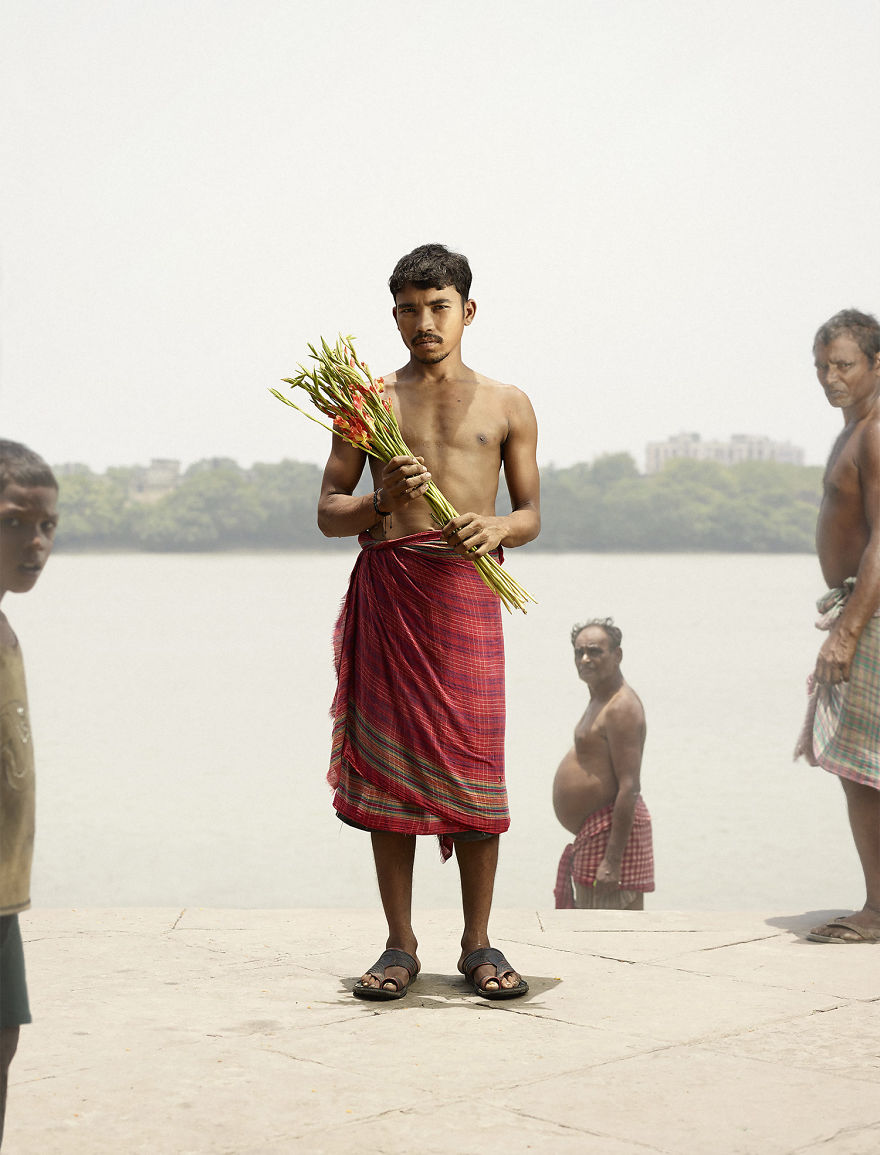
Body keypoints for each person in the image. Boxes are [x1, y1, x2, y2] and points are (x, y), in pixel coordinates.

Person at [317, 243, 540, 999]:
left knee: (476, 765)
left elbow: (531, 513)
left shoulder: (508, 402)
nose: (424, 322)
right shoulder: (369, 402)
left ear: (466, 311)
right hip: (392, 592)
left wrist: (498, 529)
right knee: (390, 772)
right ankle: (399, 943)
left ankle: (478, 942)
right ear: (395, 317)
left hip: (468, 592)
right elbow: (327, 512)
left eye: (438, 306)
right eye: (409, 310)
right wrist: (380, 501)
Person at [795, 309, 880, 944]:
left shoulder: (876, 433)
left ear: (878, 365)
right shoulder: (852, 429)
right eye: (822, 366)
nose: (830, 377)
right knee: (860, 768)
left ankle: (877, 910)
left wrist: (847, 632)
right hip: (859, 607)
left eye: (844, 365)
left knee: (865, 768)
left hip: (871, 615)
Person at [0, 440, 58, 1147]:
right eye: (16, 521)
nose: (36, 542)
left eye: (47, 526)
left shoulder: (7, 628)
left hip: (3, 890)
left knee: (4, 1037)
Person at [553, 619, 654, 910]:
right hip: (596, 833)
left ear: (617, 655)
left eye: (595, 651)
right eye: (579, 652)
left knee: (609, 941)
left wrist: (612, 861)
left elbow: (630, 787)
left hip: (612, 837)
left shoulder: (621, 706)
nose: (584, 659)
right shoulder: (600, 699)